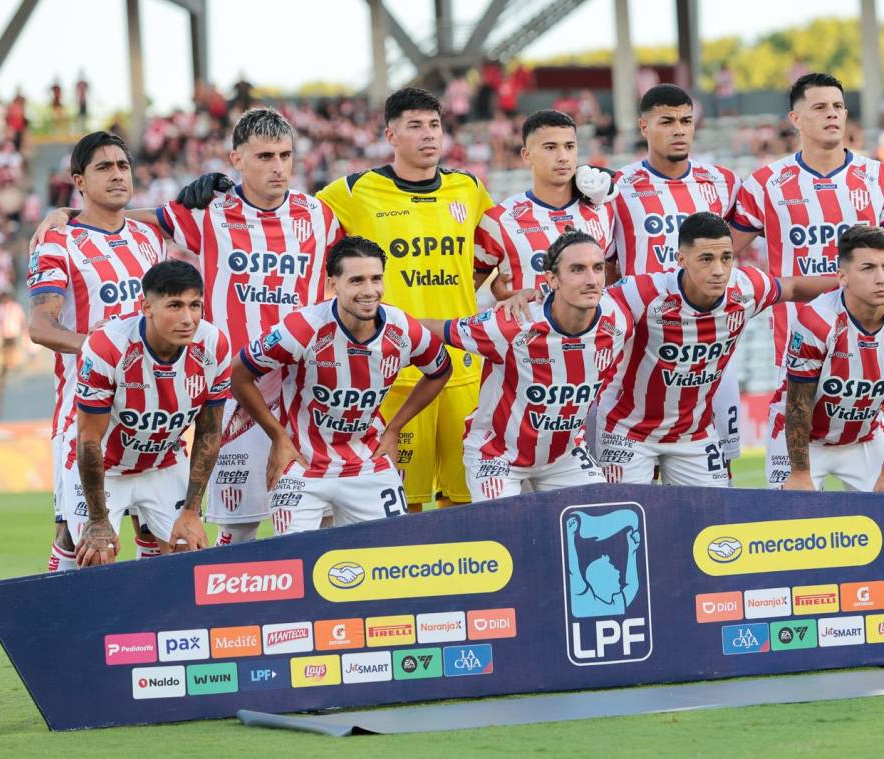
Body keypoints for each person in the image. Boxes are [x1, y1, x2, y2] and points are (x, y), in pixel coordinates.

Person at [31, 108, 344, 544]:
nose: (278, 167)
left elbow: (356, 277)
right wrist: (67, 211)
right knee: (235, 527)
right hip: (236, 390)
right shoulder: (208, 213)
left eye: (286, 156)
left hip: (304, 391)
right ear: (236, 160)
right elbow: (127, 218)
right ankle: (233, 611)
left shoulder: (322, 217)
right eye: (265, 156)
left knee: (317, 520)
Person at [728, 73, 884, 490]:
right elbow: (723, 251)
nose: (832, 114)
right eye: (819, 107)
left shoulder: (880, 178)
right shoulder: (766, 184)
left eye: (837, 106)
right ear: (795, 118)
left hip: (874, 376)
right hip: (799, 358)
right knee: (791, 532)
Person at [315, 88, 495, 511]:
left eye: (434, 125)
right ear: (391, 136)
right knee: (400, 503)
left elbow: (493, 251)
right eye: (415, 126)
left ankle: (467, 577)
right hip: (394, 371)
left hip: (464, 366)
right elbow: (297, 225)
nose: (428, 135)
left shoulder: (468, 188)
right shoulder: (355, 191)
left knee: (465, 496)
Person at [593, 212, 838, 486]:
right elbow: (590, 309)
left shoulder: (746, 289)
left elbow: (793, 287)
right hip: (627, 432)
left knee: (712, 525)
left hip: (693, 435)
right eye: (706, 259)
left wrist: (850, 284)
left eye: (726, 258)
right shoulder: (643, 292)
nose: (719, 270)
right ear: (681, 260)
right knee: (633, 519)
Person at [231, 236, 451, 533]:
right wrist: (278, 437)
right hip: (302, 464)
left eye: (376, 279)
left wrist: (395, 428)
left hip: (369, 461)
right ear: (333, 285)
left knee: (394, 555)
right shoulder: (302, 328)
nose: (370, 291)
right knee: (298, 562)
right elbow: (238, 374)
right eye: (357, 280)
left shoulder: (403, 328)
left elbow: (440, 370)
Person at [26, 131, 167, 571]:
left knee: (162, 539)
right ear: (79, 181)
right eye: (103, 168)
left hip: (152, 412)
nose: (117, 174)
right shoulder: (58, 242)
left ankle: (155, 634)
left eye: (123, 166)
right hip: (84, 415)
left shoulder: (150, 240)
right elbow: (40, 325)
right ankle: (55, 634)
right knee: (83, 543)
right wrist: (99, 347)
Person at [422, 230, 633, 501]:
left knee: (597, 520)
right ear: (552, 279)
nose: (591, 280)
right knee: (505, 534)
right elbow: (437, 329)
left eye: (598, 268)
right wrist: (376, 318)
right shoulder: (510, 324)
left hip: (564, 458)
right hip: (498, 457)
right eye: (577, 269)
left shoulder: (619, 319)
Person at [609, 83, 746, 464]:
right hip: (641, 348)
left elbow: (737, 241)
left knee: (719, 466)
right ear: (643, 127)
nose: (679, 129)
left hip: (709, 347)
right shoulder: (618, 187)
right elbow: (606, 262)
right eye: (666, 121)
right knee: (631, 472)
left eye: (686, 121)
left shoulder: (723, 181)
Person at [72, 260, 230, 566]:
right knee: (95, 556)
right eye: (175, 305)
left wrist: (191, 511)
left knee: (189, 555)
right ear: (146, 307)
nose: (188, 318)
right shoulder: (108, 346)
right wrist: (97, 518)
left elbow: (209, 433)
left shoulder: (213, 345)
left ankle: (160, 616)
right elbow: (89, 437)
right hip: (105, 466)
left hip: (163, 461)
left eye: (195, 305)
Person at [775, 226, 884, 492]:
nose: (882, 278)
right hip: (804, 441)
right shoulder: (817, 321)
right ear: (842, 277)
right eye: (868, 268)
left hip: (865, 438)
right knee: (790, 525)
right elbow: (798, 404)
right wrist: (800, 473)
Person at [475, 109, 617, 302]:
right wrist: (499, 298)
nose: (563, 157)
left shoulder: (605, 210)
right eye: (550, 147)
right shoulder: (498, 220)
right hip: (526, 331)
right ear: (526, 155)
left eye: (569, 146)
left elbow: (615, 280)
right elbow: (463, 292)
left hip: (595, 332)